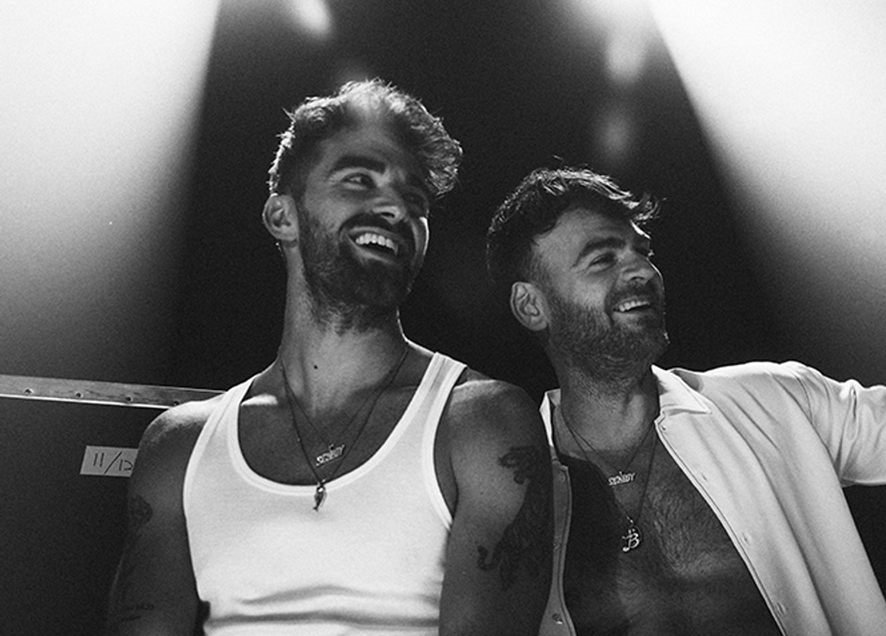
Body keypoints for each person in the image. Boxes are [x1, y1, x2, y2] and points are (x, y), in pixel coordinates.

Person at [105, 80, 552, 636]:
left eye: (415, 201)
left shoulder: (482, 422)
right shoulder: (180, 446)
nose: (396, 207)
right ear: (283, 216)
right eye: (360, 180)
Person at [485, 166, 886, 636]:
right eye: (603, 259)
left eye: (643, 252)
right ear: (531, 305)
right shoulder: (504, 478)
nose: (641, 271)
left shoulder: (772, 403)